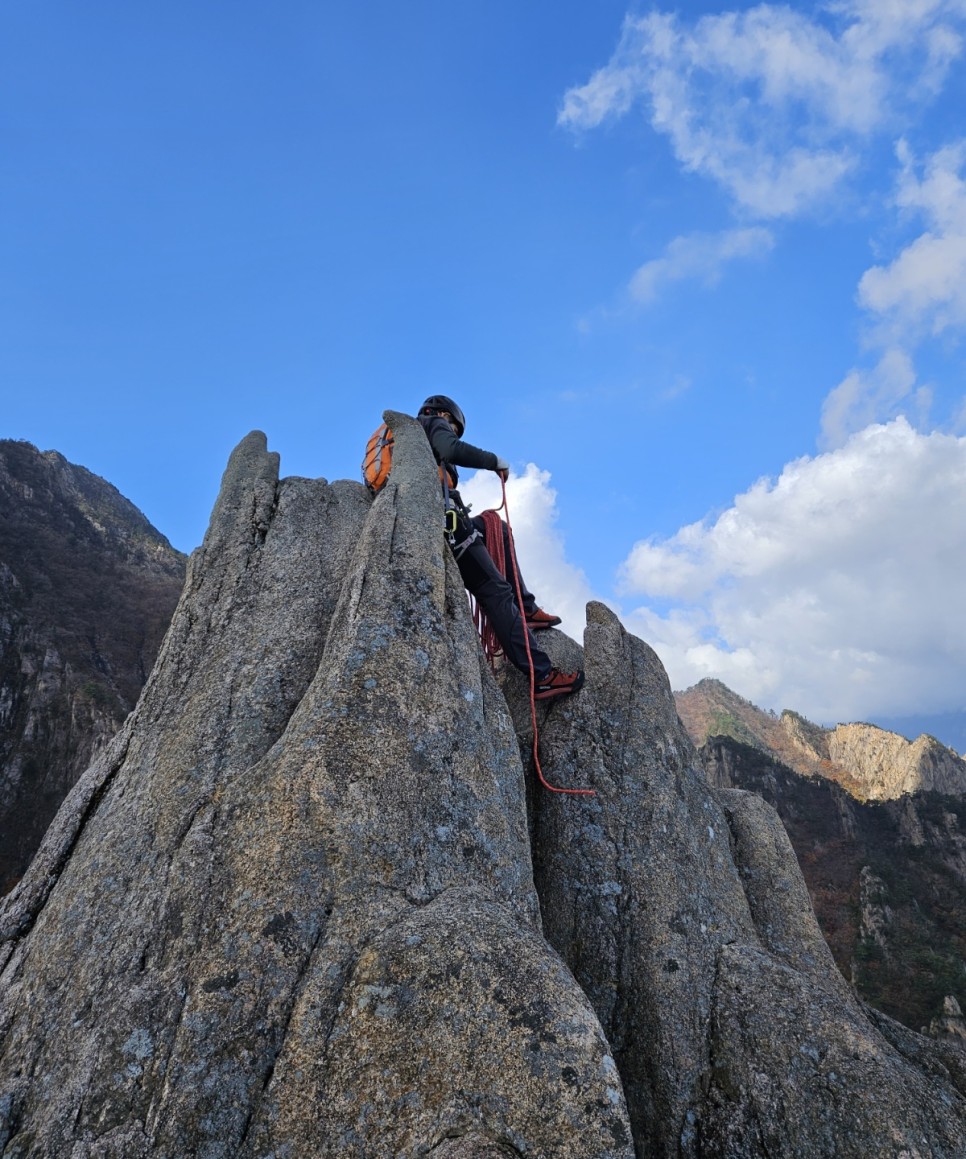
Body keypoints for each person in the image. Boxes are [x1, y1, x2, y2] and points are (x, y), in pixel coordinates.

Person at [417, 394, 584, 700]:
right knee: (495, 591)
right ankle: (543, 676)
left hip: (434, 521)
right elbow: (449, 448)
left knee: (498, 527)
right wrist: (494, 462)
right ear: (444, 414)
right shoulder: (432, 423)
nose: (452, 431)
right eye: (453, 425)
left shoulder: (408, 440)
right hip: (445, 525)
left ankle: (527, 608)